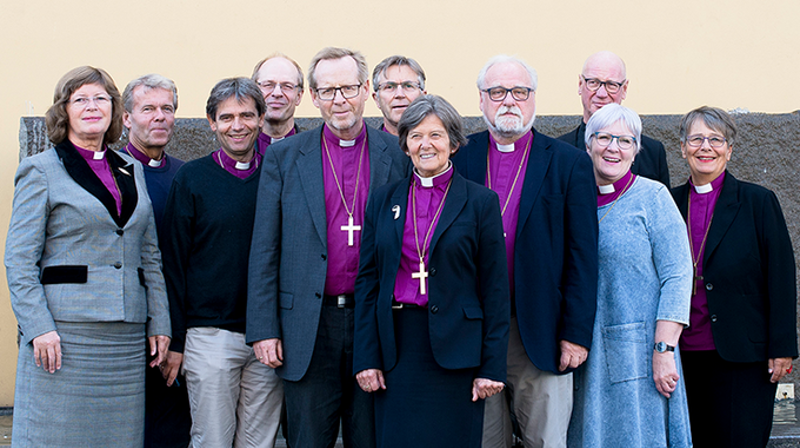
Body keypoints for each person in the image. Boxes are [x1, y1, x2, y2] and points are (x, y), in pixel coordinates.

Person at [246, 47, 410, 448]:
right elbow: (265, 247)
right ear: (314, 97)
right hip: (308, 323)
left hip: (373, 321)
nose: (339, 99)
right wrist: (264, 329)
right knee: (307, 439)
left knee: (370, 436)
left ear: (366, 90)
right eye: (328, 90)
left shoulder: (395, 153)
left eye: (348, 88)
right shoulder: (284, 157)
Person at [5, 66, 171, 447]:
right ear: (65, 110)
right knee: (56, 435)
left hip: (126, 337)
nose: (92, 106)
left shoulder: (132, 170)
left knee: (119, 438)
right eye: (80, 99)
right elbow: (19, 259)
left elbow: (150, 254)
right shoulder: (40, 170)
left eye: (101, 98)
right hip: (64, 335)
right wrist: (38, 327)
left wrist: (159, 320)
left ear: (115, 109)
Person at [451, 55, 598, 448]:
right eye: (497, 92)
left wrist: (576, 334)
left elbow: (583, 256)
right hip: (474, 332)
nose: (509, 101)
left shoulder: (569, 163)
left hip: (542, 332)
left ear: (534, 99)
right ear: (481, 100)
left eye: (520, 91)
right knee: (482, 441)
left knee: (546, 441)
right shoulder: (460, 158)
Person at [354, 95, 510, 447]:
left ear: (453, 143)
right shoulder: (383, 200)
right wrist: (367, 358)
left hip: (457, 351)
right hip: (397, 350)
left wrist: (491, 366)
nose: (426, 144)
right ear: (405, 144)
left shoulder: (481, 202)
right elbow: (368, 282)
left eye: (436, 135)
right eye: (416, 136)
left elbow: (496, 289)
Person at [161, 78, 283, 448]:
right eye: (226, 117)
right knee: (211, 440)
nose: (238, 125)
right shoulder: (192, 178)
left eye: (247, 115)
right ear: (211, 122)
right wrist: (177, 340)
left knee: (259, 442)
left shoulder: (277, 176)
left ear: (262, 119)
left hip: (268, 338)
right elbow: (174, 264)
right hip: (209, 337)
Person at [671, 106, 798, 447]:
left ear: (730, 149)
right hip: (681, 356)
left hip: (744, 356)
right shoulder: (667, 202)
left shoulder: (758, 202)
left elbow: (781, 277)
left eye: (716, 139)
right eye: (696, 139)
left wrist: (782, 347)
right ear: (683, 148)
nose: (706, 147)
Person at [567, 103, 693, 447]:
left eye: (624, 141)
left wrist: (664, 349)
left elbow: (678, 275)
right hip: (579, 353)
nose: (613, 148)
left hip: (640, 353)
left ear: (636, 150)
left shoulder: (653, 198)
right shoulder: (569, 199)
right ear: (588, 144)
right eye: (604, 138)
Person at [121, 73, 191, 448]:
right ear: (127, 117)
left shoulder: (185, 175)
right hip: (125, 322)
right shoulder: (109, 174)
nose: (160, 117)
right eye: (148, 109)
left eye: (167, 109)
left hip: (174, 324)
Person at [557, 51, 670, 186]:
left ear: (625, 88)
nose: (602, 94)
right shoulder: (558, 150)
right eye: (593, 82)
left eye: (611, 85)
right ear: (580, 84)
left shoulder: (652, 153)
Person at [252, 53, 304, 151]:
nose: (277, 93)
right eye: (268, 85)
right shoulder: (236, 154)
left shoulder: (316, 154)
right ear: (254, 92)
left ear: (299, 96)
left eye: (287, 86)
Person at [371, 55, 427, 135]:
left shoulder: (442, 145)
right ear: (376, 99)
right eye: (389, 87)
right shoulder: (365, 147)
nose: (399, 94)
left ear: (423, 98)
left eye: (408, 86)